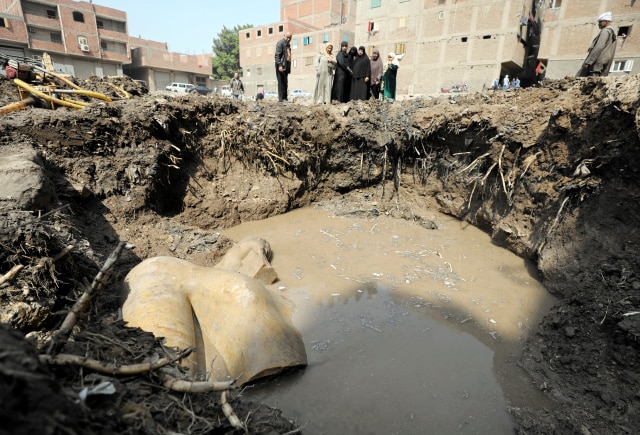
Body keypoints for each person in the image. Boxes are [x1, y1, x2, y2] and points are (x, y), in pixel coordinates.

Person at [579, 12, 617, 77]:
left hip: (597, 62)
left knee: (591, 82)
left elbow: (599, 47)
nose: (599, 24)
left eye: (600, 22)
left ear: (607, 21)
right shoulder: (612, 32)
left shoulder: (605, 31)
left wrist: (589, 62)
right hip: (603, 61)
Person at [275, 32, 292, 102]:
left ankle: (285, 98)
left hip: (286, 66)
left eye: (290, 38)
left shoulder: (287, 45)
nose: (288, 39)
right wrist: (279, 65)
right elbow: (277, 55)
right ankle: (281, 99)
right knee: (281, 82)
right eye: (287, 37)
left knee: (285, 82)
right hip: (281, 66)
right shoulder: (280, 43)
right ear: (284, 36)